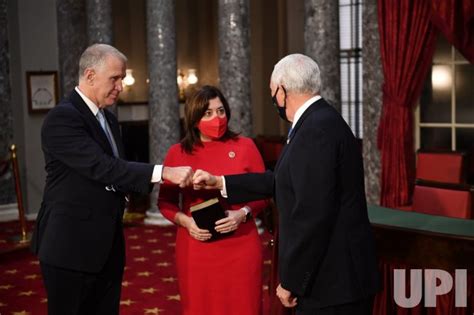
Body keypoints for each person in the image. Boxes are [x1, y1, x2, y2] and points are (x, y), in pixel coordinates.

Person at [193, 54, 380, 315]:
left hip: (334, 282)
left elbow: (312, 214)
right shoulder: (317, 120)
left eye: (272, 92)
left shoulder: (315, 129)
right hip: (337, 278)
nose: (274, 100)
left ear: (282, 90)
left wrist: (292, 281)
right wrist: (221, 182)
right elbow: (280, 179)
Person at [30, 43, 193, 315]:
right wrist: (163, 172)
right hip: (70, 249)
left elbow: (116, 174)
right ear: (90, 75)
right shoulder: (62, 117)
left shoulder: (106, 119)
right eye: (115, 78)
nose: (121, 86)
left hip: (106, 246)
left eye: (122, 79)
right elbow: (103, 167)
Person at [158, 85, 269, 315]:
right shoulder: (177, 153)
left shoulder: (245, 147)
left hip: (241, 244)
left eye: (220, 111)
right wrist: (186, 222)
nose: (216, 118)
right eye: (207, 113)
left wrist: (242, 214)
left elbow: (263, 195)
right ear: (194, 116)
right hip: (197, 246)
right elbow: (165, 203)